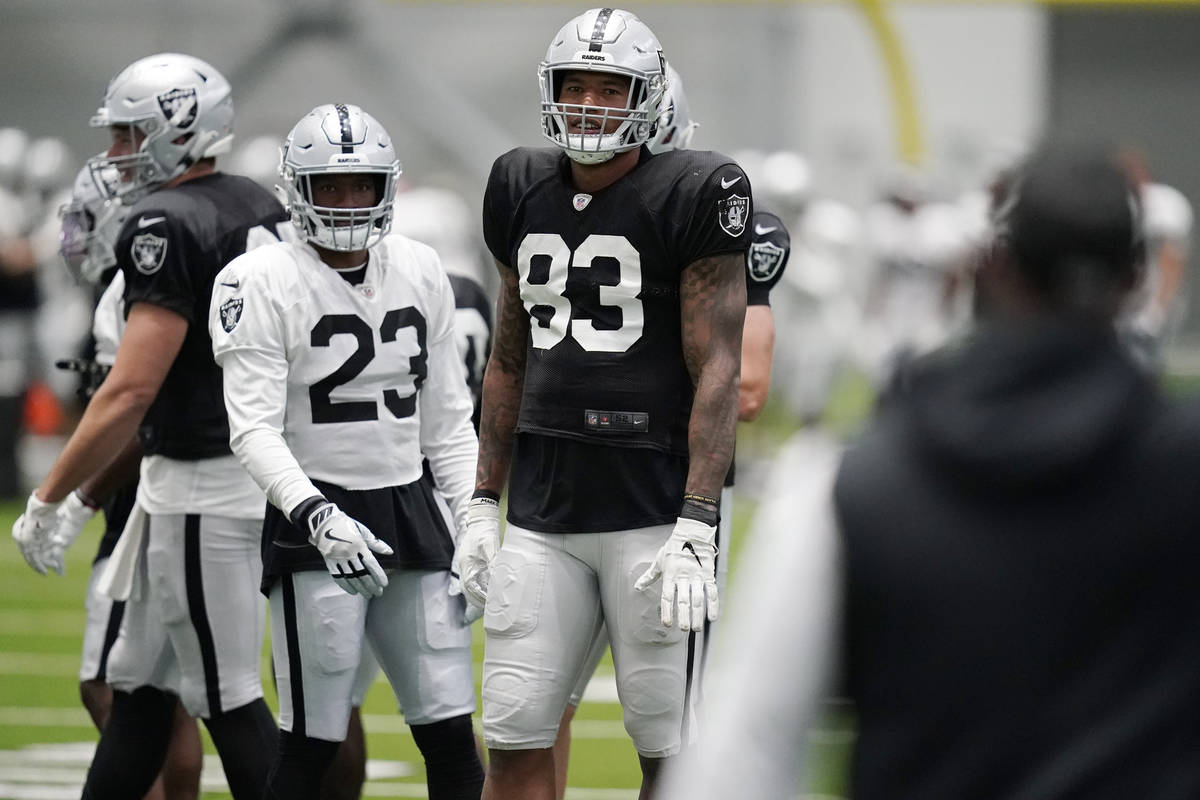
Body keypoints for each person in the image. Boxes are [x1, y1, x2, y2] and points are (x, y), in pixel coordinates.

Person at [661, 144, 1200, 800]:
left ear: (993, 267)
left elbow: (741, 761)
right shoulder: (1179, 468)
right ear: (1132, 276)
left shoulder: (846, 488)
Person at [458, 9, 749, 799]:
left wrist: (698, 519)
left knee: (670, 746)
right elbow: (508, 355)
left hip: (652, 511)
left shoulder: (696, 186)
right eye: (574, 86)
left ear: (648, 98)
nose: (589, 104)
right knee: (515, 731)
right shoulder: (519, 183)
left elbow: (720, 365)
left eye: (610, 88)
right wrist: (484, 499)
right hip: (542, 512)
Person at [11, 52, 285, 800]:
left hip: (203, 481)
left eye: (131, 136)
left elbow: (131, 388)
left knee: (229, 699)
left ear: (180, 129)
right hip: (232, 470)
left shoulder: (166, 220)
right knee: (134, 691)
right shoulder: (256, 203)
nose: (116, 155)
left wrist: (52, 495)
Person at [209, 103, 485, 800]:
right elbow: (253, 427)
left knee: (452, 734)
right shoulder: (259, 277)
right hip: (318, 516)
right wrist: (316, 515)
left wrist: (477, 519)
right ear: (295, 191)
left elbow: (449, 421)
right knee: (311, 743)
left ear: (387, 187)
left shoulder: (421, 268)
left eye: (360, 184)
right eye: (328, 186)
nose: (347, 201)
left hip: (412, 508)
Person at [549, 62, 790, 800]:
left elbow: (744, 389)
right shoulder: (554, 202)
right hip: (561, 493)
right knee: (532, 707)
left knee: (671, 726)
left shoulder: (711, 213)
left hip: (667, 497)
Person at [51, 162, 205, 800]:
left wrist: (72, 497)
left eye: (87, 221)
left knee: (114, 688)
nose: (75, 238)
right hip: (181, 497)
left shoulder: (138, 288)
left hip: (147, 502)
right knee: (170, 697)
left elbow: (138, 407)